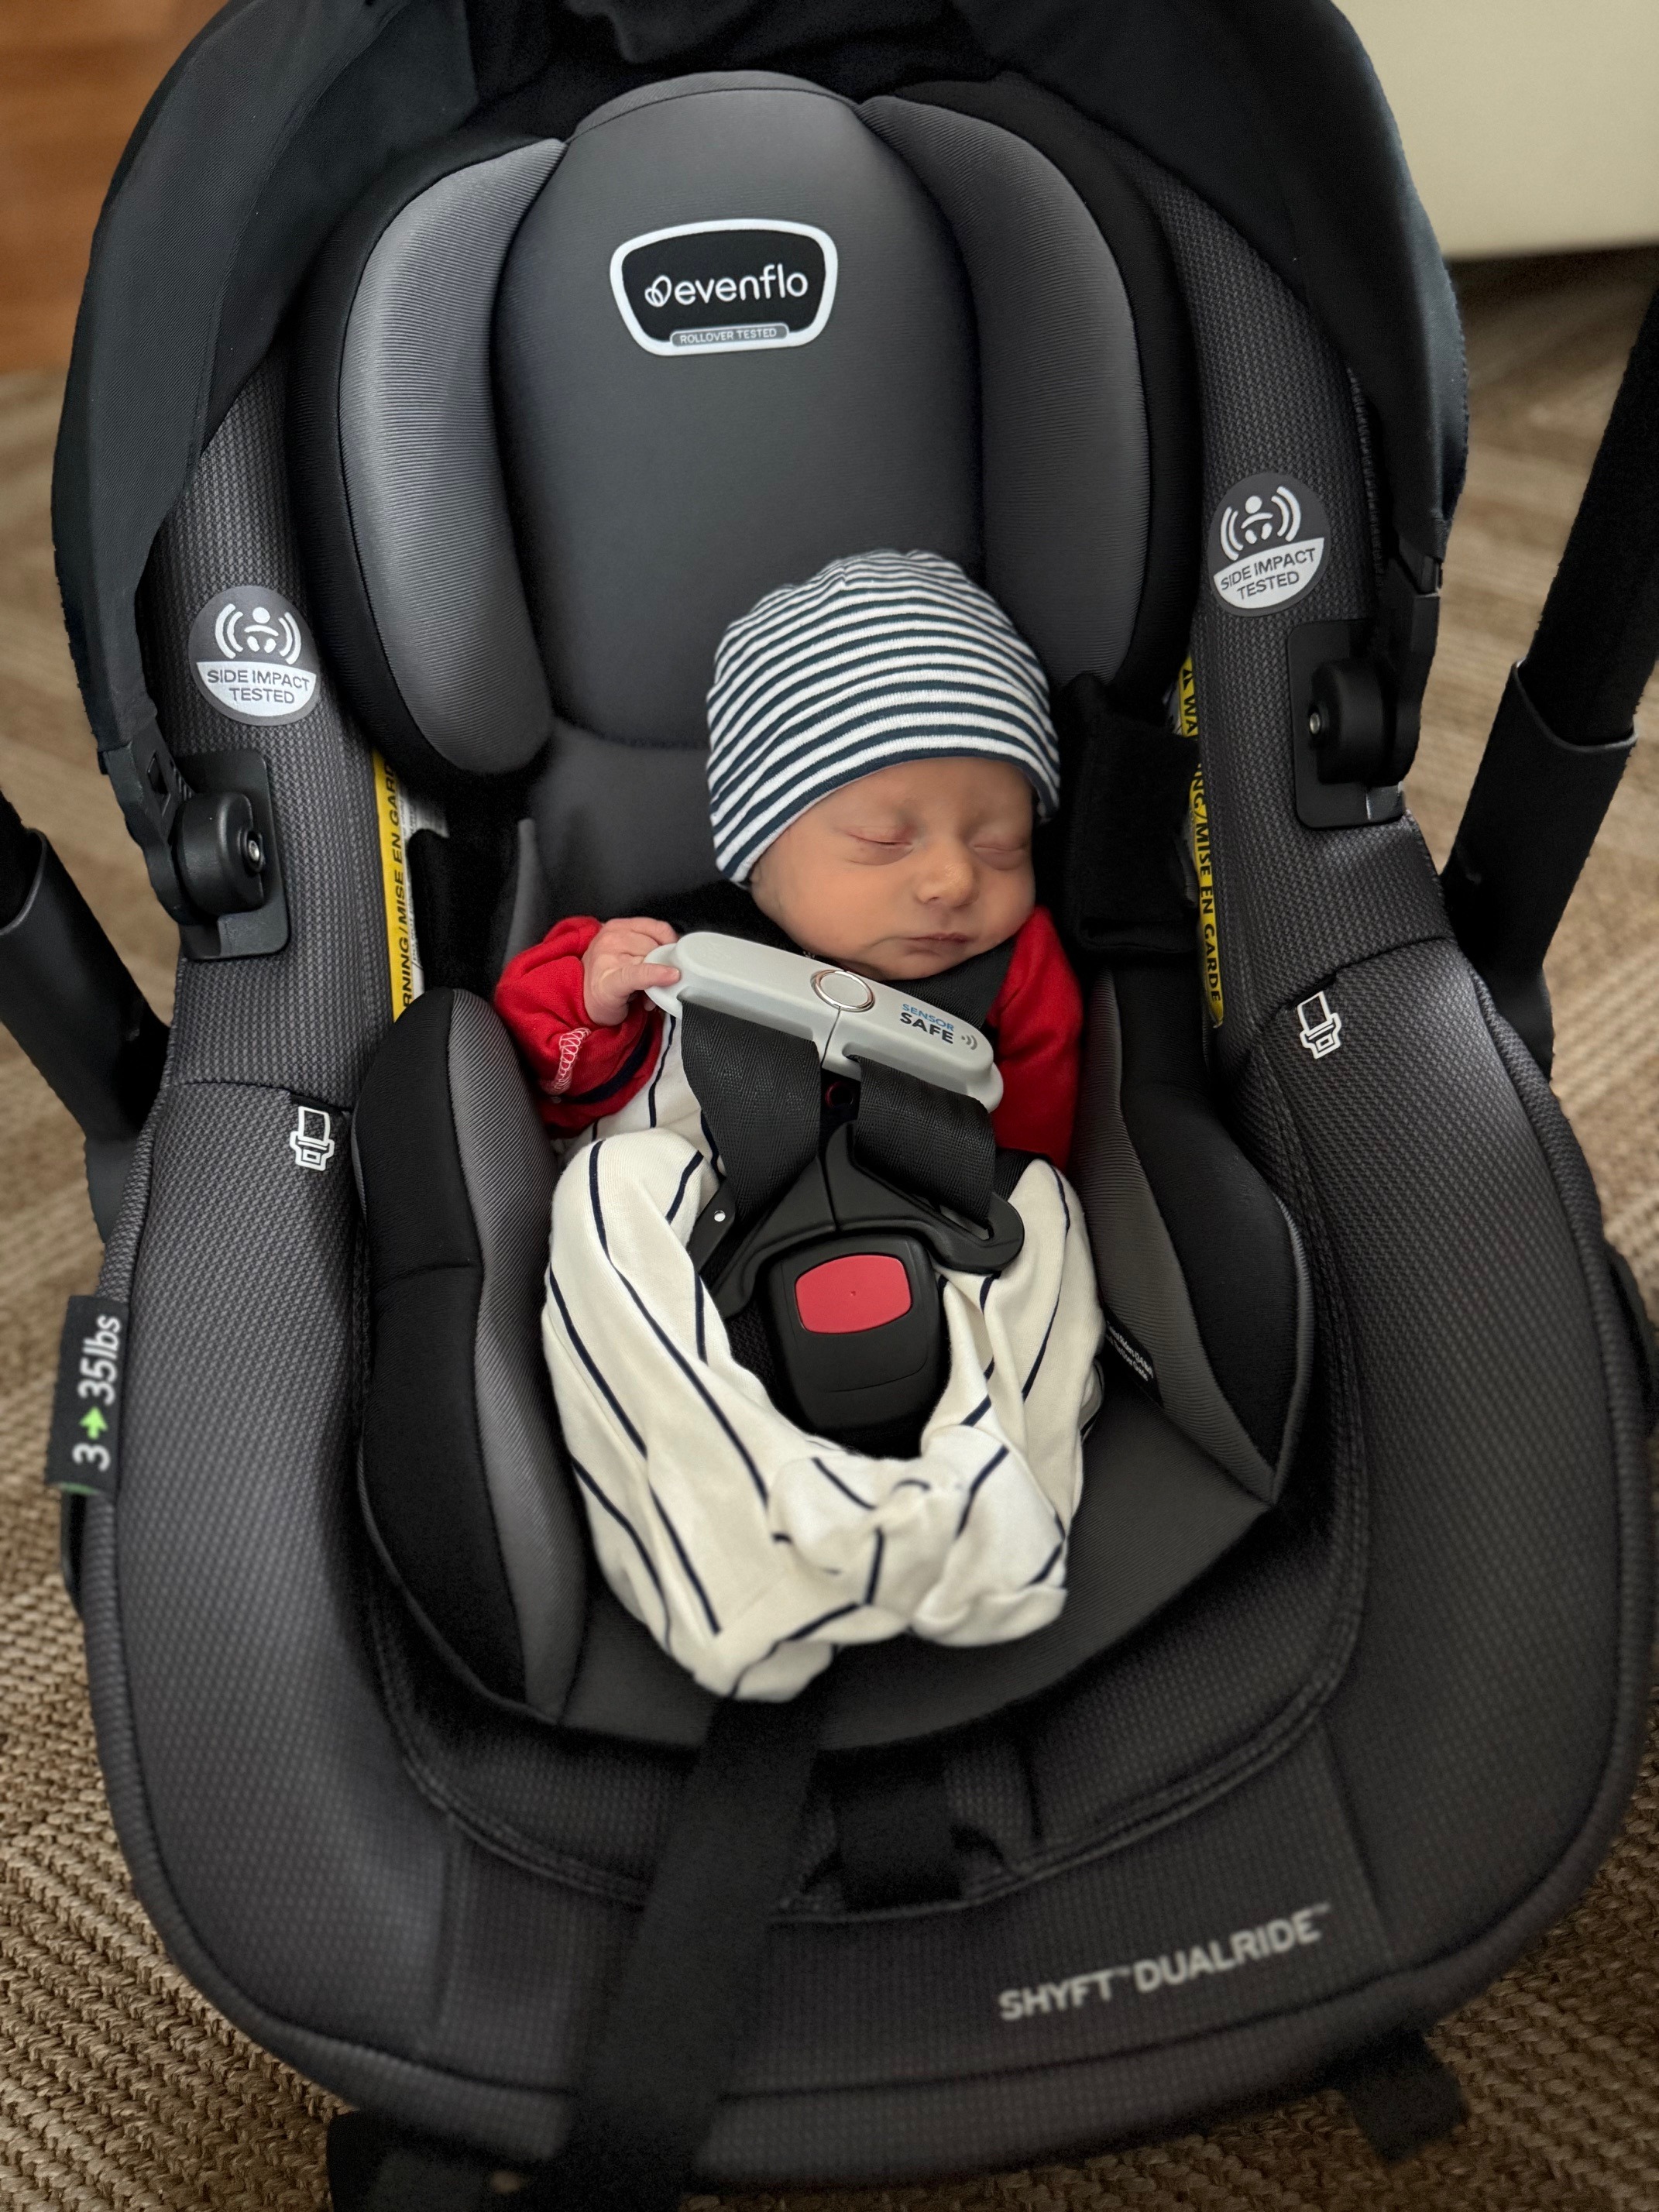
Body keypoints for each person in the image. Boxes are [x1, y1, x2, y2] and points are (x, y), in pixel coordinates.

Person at [495, 550, 1103, 1700]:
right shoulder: (669, 947)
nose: (950, 882)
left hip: (930, 1232)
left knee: (1044, 1208)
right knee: (605, 1191)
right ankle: (738, 1549)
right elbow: (542, 1079)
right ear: (758, 846)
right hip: (708, 1262)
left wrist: (1013, 1041)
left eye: (999, 843)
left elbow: (1035, 1130)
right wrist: (594, 1000)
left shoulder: (1007, 970)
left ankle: (989, 1505)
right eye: (883, 839)